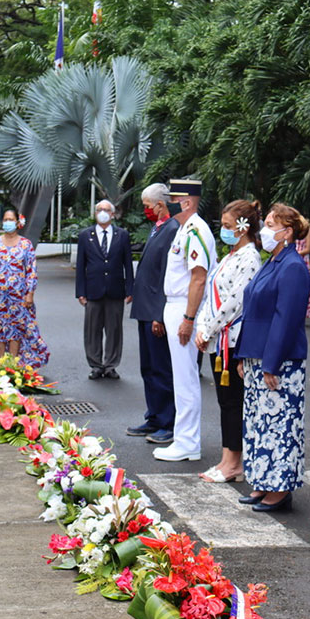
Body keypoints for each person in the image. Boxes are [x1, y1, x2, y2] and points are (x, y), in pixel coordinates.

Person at [234, 203, 310, 511]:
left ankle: (280, 489)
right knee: (258, 424)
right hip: (257, 356)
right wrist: (244, 355)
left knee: (280, 426)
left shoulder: (292, 266)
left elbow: (286, 319)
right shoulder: (274, 261)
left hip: (280, 361)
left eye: (269, 224)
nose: (264, 230)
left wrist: (271, 362)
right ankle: (263, 482)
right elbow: (253, 310)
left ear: (287, 231)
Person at [194, 199, 262, 483]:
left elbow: (235, 301)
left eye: (227, 226)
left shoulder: (249, 258)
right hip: (218, 338)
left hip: (231, 339)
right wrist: (202, 326)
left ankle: (234, 462)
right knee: (226, 401)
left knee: (233, 401)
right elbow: (211, 295)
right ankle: (227, 459)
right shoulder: (231, 255)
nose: (223, 231)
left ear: (243, 228)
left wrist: (207, 328)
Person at [153, 178, 216, 462]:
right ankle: (184, 438)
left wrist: (189, 319)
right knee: (180, 377)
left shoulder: (196, 230)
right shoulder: (184, 229)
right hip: (176, 305)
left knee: (186, 378)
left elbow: (199, 278)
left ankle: (188, 441)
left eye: (173, 198)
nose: (168, 203)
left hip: (184, 308)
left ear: (187, 202)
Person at [127, 184, 179, 444]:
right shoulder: (157, 228)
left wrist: (160, 313)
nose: (145, 210)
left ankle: (167, 421)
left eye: (148, 206)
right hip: (144, 308)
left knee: (161, 368)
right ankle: (154, 416)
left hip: (156, 311)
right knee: (148, 367)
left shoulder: (172, 230)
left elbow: (167, 275)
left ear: (160, 205)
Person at [0, 207, 49, 367]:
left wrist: (30, 293)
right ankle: (0, 365)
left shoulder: (26, 245)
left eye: (11, 220)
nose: (7, 223)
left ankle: (13, 365)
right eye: (5, 220)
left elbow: (31, 270)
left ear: (18, 223)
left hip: (19, 297)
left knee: (16, 330)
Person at [75, 199, 134, 379]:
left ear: (113, 214)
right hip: (93, 290)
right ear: (95, 213)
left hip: (115, 290)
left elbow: (128, 264)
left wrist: (130, 289)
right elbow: (81, 265)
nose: (103, 212)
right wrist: (80, 292)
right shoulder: (86, 235)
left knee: (114, 330)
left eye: (106, 210)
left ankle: (110, 365)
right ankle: (96, 365)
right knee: (92, 330)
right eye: (99, 209)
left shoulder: (122, 235)